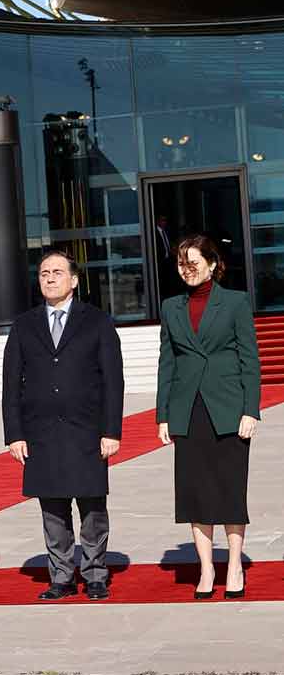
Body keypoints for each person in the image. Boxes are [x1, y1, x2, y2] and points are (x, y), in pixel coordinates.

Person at [2, 251, 124, 601]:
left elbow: (113, 381)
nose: (50, 278)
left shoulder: (97, 321)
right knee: (52, 508)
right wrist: (15, 433)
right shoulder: (24, 325)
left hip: (86, 430)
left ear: (74, 280)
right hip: (41, 432)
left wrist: (111, 431)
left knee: (92, 508)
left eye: (58, 272)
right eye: (43, 273)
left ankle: (96, 573)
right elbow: (11, 384)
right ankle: (60, 576)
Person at [157, 234, 260, 599]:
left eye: (194, 264)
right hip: (188, 410)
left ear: (213, 265)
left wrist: (251, 410)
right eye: (182, 265)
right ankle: (205, 568)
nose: (186, 271)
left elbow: (250, 359)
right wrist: (163, 414)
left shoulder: (235, 303)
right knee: (195, 493)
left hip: (229, 408)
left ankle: (233, 566)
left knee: (230, 489)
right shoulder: (171, 307)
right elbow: (167, 362)